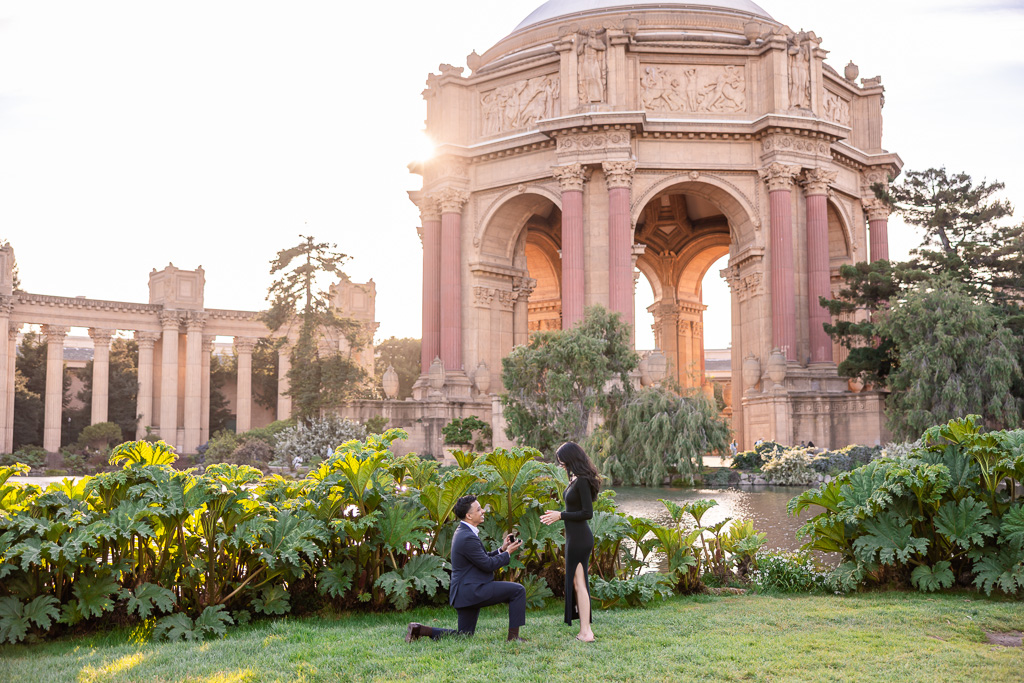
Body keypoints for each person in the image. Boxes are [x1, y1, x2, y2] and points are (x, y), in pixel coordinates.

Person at [405, 495, 527, 642]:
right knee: (518, 590)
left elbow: (481, 559)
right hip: (472, 591)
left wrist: (502, 549)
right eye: (479, 509)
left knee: (464, 635)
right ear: (469, 515)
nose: (483, 511)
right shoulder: (467, 536)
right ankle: (513, 638)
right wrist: (508, 553)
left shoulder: (463, 532)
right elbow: (488, 565)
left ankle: (420, 630)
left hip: (464, 593)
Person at [540, 441, 599, 642]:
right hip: (575, 537)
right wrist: (559, 515)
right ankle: (584, 629)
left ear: (572, 459)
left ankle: (586, 631)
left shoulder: (582, 481)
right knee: (576, 582)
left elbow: (587, 513)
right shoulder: (575, 479)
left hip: (581, 538)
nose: (561, 465)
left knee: (580, 583)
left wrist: (561, 515)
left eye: (562, 461)